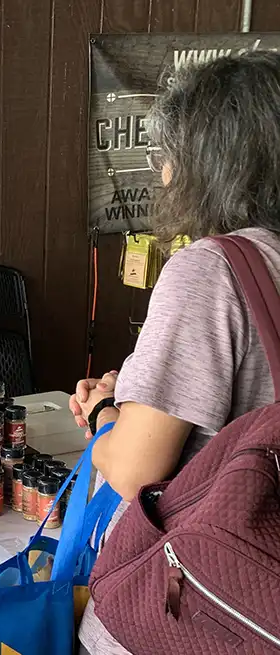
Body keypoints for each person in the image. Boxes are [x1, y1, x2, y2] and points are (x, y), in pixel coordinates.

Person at [68, 51, 280, 654]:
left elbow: (135, 469)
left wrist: (108, 413)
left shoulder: (214, 268)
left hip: (194, 607)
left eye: (167, 157)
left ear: (208, 163)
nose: (162, 175)